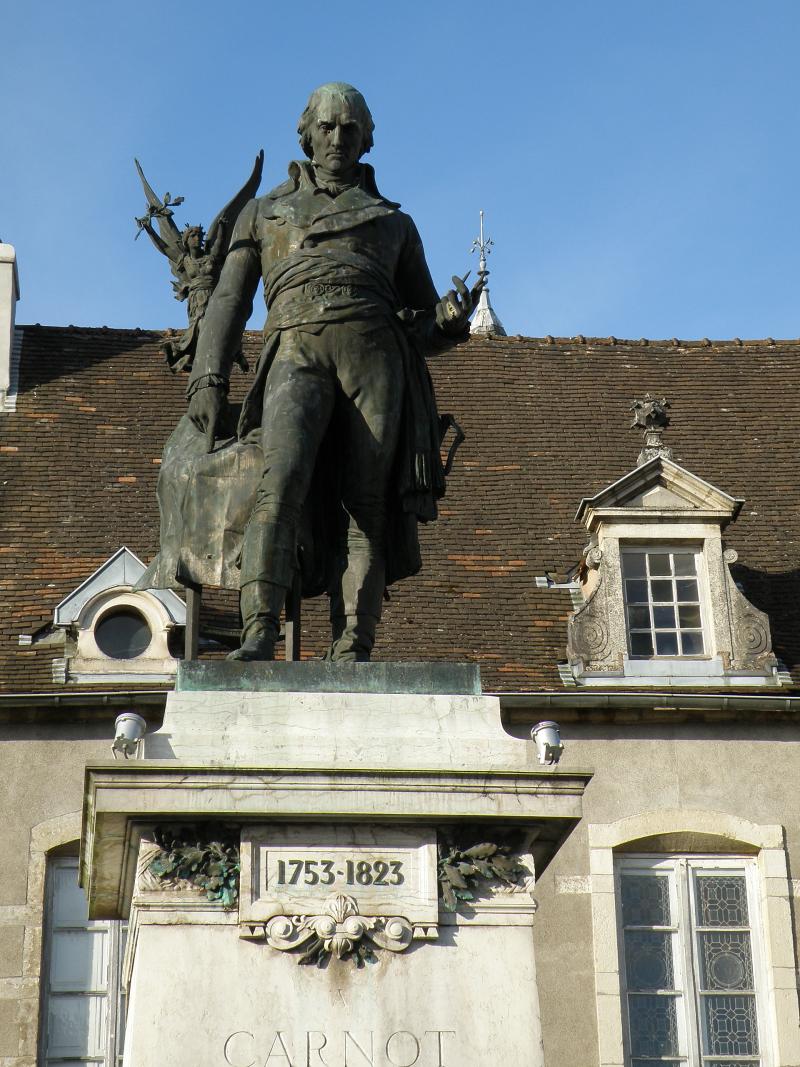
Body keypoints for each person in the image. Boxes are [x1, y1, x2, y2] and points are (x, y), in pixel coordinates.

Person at [187, 82, 479, 662]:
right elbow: (228, 302)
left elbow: (420, 324)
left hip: (375, 358)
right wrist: (208, 376)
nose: (338, 137)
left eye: (350, 128)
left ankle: (353, 642)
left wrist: (446, 323)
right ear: (307, 132)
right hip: (297, 349)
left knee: (365, 504)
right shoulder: (265, 212)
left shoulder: (394, 224)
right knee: (281, 484)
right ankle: (260, 628)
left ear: (367, 137)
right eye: (327, 126)